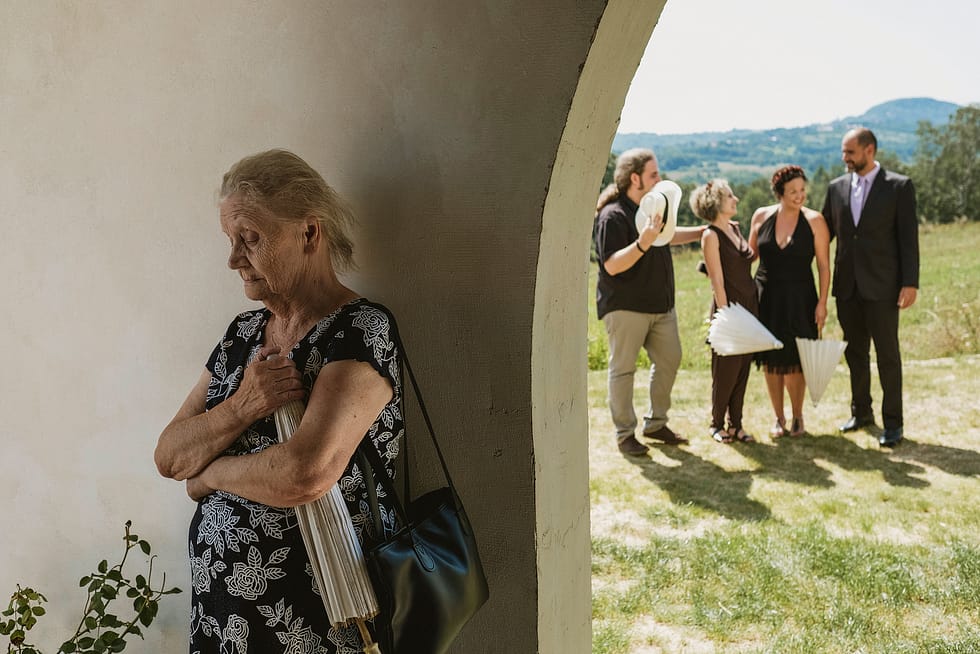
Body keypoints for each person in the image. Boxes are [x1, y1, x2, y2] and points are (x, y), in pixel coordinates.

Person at [154, 149, 404, 651]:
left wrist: (210, 474)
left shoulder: (359, 331)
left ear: (309, 233)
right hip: (223, 623)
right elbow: (169, 454)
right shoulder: (241, 336)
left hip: (320, 620)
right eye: (230, 240)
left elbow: (306, 472)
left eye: (250, 238)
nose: (233, 258)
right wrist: (241, 407)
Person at [594, 148, 706, 456]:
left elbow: (666, 236)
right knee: (623, 370)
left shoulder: (655, 207)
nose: (660, 179)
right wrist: (643, 242)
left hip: (661, 307)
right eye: (654, 174)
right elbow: (612, 265)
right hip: (625, 308)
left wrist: (704, 232)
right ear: (635, 178)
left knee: (670, 359)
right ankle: (624, 434)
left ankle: (656, 424)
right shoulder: (612, 215)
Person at [822, 128, 919, 447]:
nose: (844, 158)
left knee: (888, 356)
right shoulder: (835, 188)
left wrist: (910, 282)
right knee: (855, 354)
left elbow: (908, 239)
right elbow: (822, 234)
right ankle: (861, 412)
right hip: (847, 287)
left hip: (883, 287)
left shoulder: (899, 187)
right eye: (843, 152)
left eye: (850, 152)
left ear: (870, 150)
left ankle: (894, 424)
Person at [747, 166, 830, 438]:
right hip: (766, 297)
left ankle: (797, 416)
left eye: (803, 190)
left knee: (796, 360)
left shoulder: (815, 221)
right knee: (771, 360)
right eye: (793, 191)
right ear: (780, 193)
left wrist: (822, 303)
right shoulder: (761, 216)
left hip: (801, 299)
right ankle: (778, 418)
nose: (800, 195)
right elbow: (748, 256)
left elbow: (824, 266)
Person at [691, 180, 757, 443]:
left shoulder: (735, 228)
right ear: (716, 203)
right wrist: (727, 316)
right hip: (729, 312)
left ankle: (736, 425)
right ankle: (716, 425)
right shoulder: (710, 235)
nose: (736, 199)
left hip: (751, 308)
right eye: (730, 196)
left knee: (742, 370)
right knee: (725, 372)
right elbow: (717, 280)